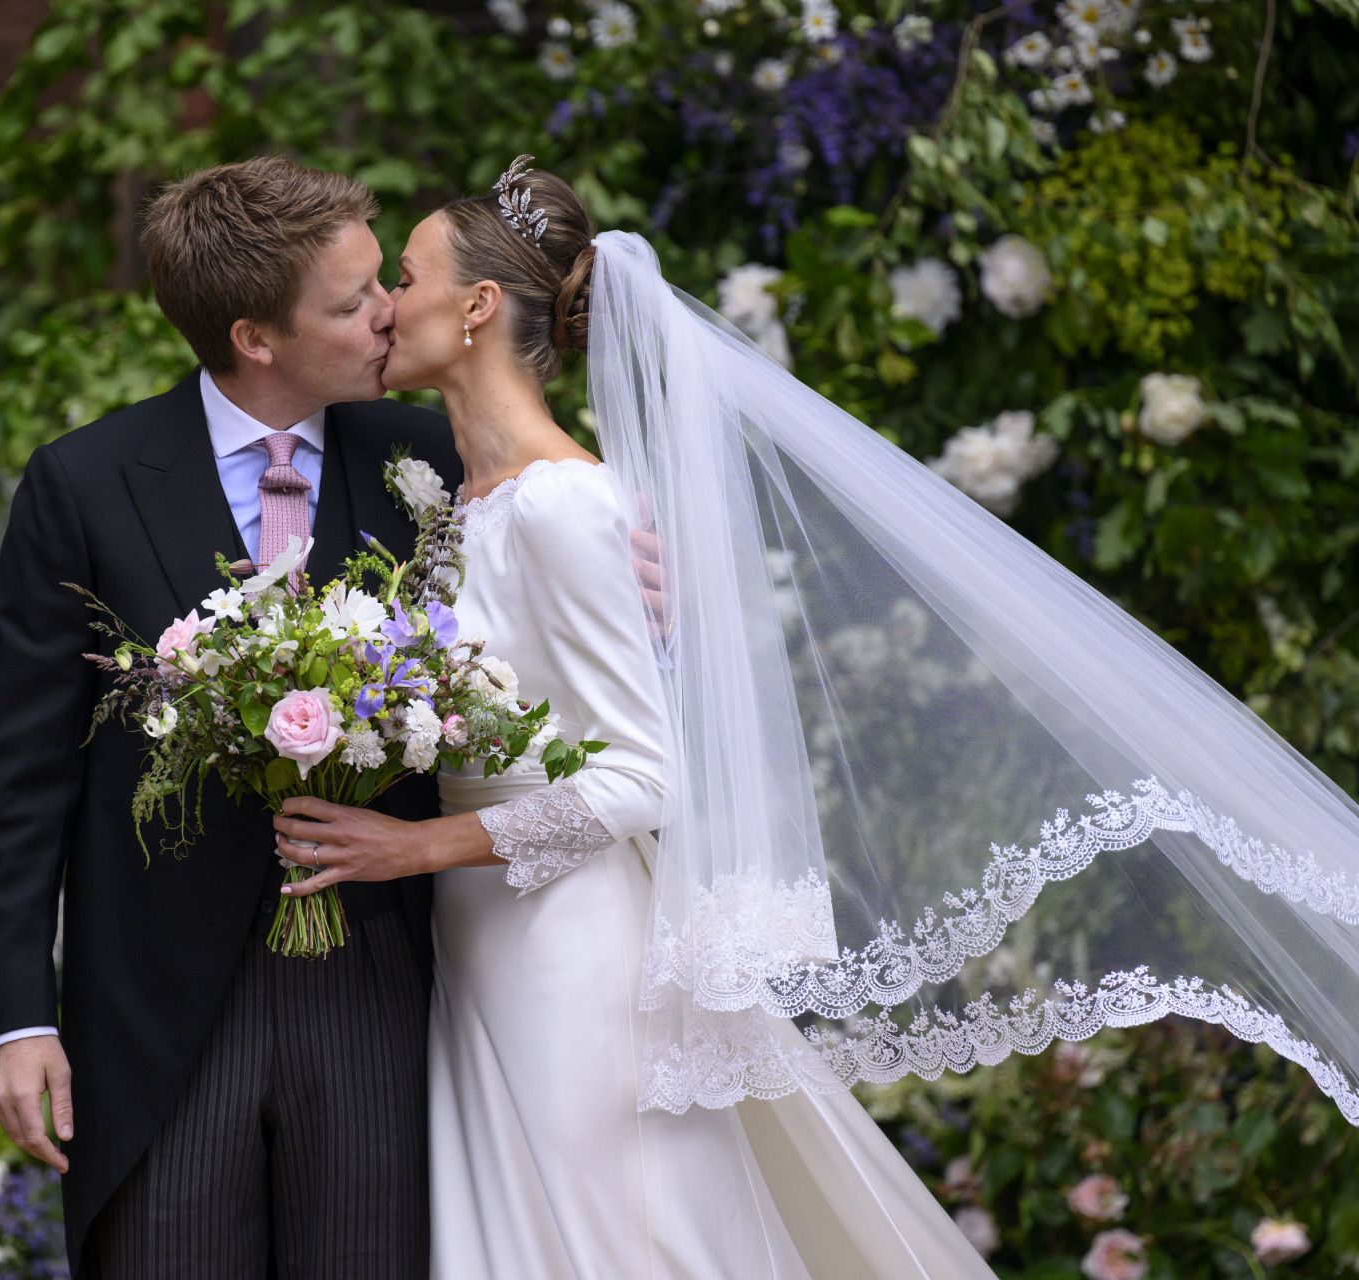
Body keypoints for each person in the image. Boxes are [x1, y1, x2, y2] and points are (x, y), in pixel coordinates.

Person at [276, 155, 1359, 1275]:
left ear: (479, 306)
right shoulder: (467, 501)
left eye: (403, 276)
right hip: (485, 936)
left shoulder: (564, 505)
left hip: (570, 949)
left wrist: (413, 846)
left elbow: (643, 774)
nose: (385, 306)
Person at [0, 156, 459, 1279]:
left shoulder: (429, 462)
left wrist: (627, 572)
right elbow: (20, 778)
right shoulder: (83, 484)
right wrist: (16, 1017)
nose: (392, 312)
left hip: (375, 987)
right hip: (157, 1007)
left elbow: (542, 610)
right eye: (354, 300)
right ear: (256, 337)